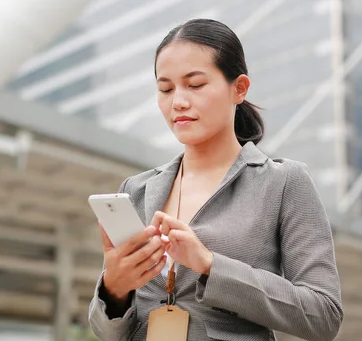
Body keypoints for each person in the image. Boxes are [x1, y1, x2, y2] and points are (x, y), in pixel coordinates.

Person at [88, 19, 343, 340]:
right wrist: (114, 288)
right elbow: (107, 332)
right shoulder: (136, 190)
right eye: (165, 89)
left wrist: (210, 265)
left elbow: (324, 315)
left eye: (194, 85)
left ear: (239, 89)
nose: (178, 101)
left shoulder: (283, 182)